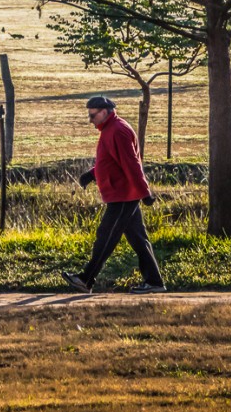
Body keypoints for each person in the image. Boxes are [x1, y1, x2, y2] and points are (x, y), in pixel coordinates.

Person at [61, 95, 166, 294]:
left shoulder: (118, 131)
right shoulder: (111, 129)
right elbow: (112, 160)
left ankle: (85, 279)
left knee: (106, 236)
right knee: (138, 239)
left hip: (124, 194)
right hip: (121, 192)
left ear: (103, 112)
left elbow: (131, 164)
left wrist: (145, 192)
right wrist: (92, 174)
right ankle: (154, 282)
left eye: (92, 115)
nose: (90, 120)